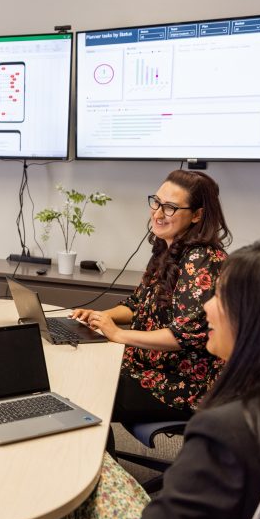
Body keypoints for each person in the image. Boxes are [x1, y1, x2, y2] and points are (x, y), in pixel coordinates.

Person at [49, 239, 260, 519]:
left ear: (255, 318)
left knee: (91, 475)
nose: (207, 308)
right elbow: (136, 303)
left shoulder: (225, 430)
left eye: (220, 297)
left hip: (179, 382)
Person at [72, 170, 231, 423]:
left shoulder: (202, 259)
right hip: (148, 364)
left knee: (87, 394)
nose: (157, 213)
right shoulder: (165, 247)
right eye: (156, 202)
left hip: (183, 383)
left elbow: (184, 335)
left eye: (169, 208)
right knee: (79, 373)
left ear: (197, 215)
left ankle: (99, 460)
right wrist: (102, 317)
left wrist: (118, 334)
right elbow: (137, 304)